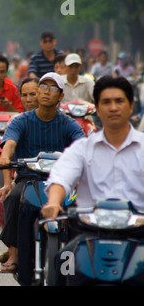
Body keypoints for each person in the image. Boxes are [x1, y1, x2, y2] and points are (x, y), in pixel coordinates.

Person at [41, 76, 144, 285]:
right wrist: (53, 202)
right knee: (63, 260)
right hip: (88, 235)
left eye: (119, 101)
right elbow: (61, 177)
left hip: (139, 234)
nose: (113, 107)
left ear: (131, 106)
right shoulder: (82, 148)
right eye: (106, 102)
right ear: (96, 108)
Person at [0, 72, 85, 283]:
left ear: (61, 95)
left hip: (62, 183)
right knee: (16, 197)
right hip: (29, 179)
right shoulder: (21, 121)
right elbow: (9, 144)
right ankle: (18, 256)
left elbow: (83, 145)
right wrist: (5, 157)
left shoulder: (68, 123)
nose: (46, 92)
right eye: (43, 87)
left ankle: (70, 270)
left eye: (53, 89)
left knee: (76, 213)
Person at [0, 77, 40, 264]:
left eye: (32, 94)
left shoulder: (59, 119)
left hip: (56, 179)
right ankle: (13, 252)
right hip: (26, 178)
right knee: (11, 198)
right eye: (24, 95)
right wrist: (7, 183)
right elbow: (8, 149)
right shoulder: (17, 121)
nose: (28, 99)